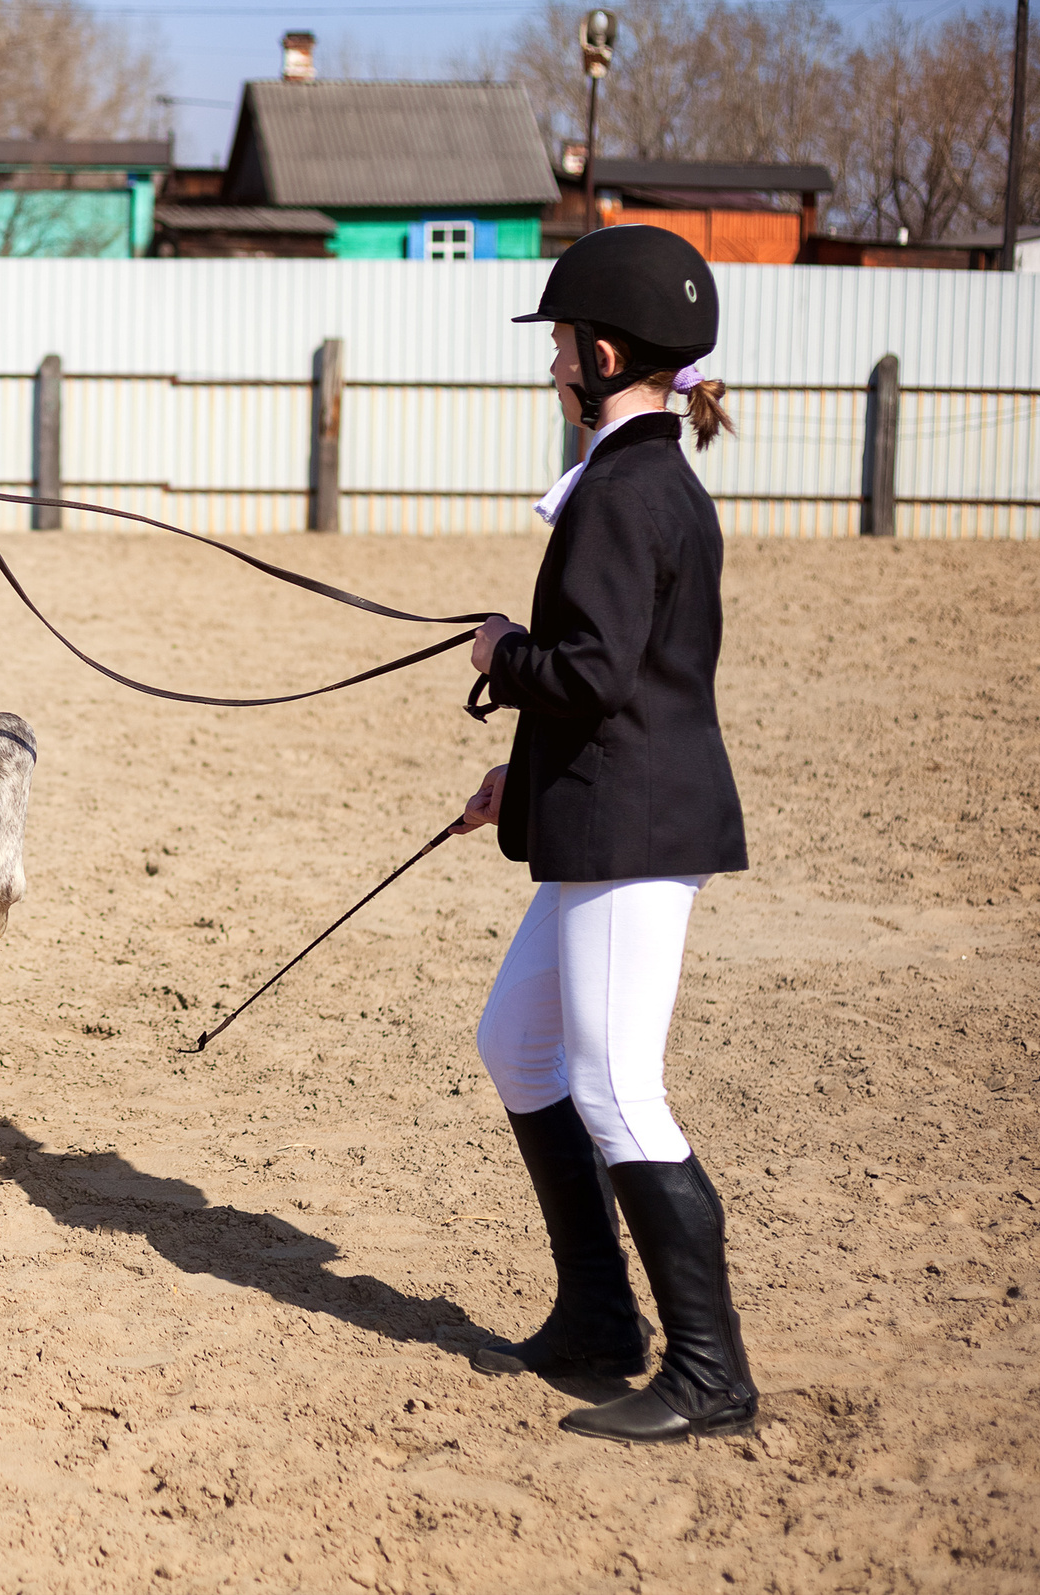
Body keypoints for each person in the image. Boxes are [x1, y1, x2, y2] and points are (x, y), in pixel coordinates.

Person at [449, 225, 758, 1445]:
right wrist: (512, 785)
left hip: (635, 830)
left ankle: (709, 1375)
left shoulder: (629, 490)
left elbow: (584, 673)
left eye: (560, 345)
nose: (552, 365)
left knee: (618, 1091)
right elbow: (620, 683)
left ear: (601, 351)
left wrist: (497, 656)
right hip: (605, 816)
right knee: (518, 1046)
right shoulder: (636, 478)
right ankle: (595, 1317)